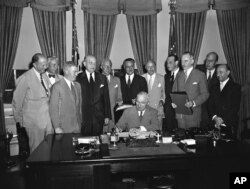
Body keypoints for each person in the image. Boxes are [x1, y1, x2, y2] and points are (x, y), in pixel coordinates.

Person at [12, 53, 52, 153]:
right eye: (42, 65)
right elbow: (17, 101)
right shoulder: (25, 78)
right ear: (34, 65)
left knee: (48, 150)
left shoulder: (44, 76)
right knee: (37, 151)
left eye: (46, 64)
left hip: (47, 121)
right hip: (34, 123)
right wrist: (19, 120)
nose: (45, 67)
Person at [172, 51, 209, 129]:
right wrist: (174, 102)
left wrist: (193, 102)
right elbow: (174, 91)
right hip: (180, 115)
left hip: (193, 115)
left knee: (192, 140)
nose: (183, 63)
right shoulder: (179, 74)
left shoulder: (200, 75)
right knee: (181, 139)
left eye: (186, 61)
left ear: (192, 61)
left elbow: (205, 94)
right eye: (182, 61)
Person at [76, 55, 111, 136]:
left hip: (99, 116)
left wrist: (107, 115)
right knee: (84, 141)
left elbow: (106, 98)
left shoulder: (102, 78)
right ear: (84, 64)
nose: (93, 65)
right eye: (90, 63)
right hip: (84, 116)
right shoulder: (78, 78)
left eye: (94, 63)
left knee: (98, 141)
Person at [208, 64, 241, 138]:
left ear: (228, 72)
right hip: (215, 123)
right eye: (217, 72)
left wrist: (222, 120)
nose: (218, 74)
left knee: (229, 148)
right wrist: (215, 118)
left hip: (229, 123)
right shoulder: (214, 87)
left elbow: (235, 107)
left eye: (221, 72)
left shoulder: (235, 87)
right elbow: (210, 105)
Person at [49, 62, 82, 134]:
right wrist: (57, 127)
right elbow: (53, 109)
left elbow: (79, 107)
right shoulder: (57, 86)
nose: (77, 74)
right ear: (66, 71)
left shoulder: (78, 85)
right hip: (64, 127)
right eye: (74, 72)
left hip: (77, 126)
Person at [101, 58, 123, 132]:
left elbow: (119, 96)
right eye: (105, 66)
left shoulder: (117, 80)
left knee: (112, 136)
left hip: (113, 114)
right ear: (101, 67)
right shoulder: (96, 79)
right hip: (101, 113)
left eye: (109, 66)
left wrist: (120, 100)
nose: (108, 68)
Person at [142, 60, 165, 129]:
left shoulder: (161, 78)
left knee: (158, 129)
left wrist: (162, 101)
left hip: (158, 108)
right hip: (145, 108)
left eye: (152, 66)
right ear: (145, 68)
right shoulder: (141, 78)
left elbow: (164, 93)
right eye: (148, 67)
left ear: (155, 67)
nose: (151, 68)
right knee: (146, 130)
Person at [200, 52, 219, 127]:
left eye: (211, 61)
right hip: (201, 111)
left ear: (216, 62)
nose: (208, 63)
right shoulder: (199, 72)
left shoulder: (220, 73)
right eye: (207, 60)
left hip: (215, 111)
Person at [164, 54, 180, 132]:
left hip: (180, 107)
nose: (168, 65)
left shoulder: (183, 74)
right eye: (167, 63)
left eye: (170, 62)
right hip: (169, 110)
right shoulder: (166, 76)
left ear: (176, 63)